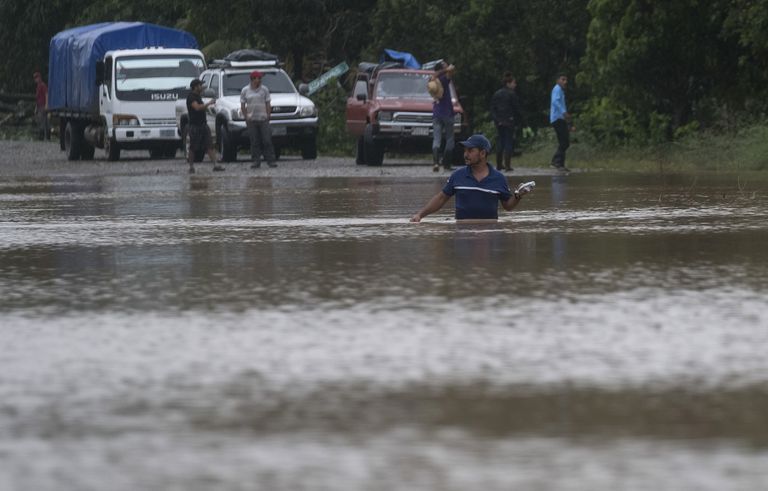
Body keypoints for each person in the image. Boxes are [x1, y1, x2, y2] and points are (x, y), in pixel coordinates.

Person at [410, 134, 533, 222]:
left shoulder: (499, 178)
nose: (465, 154)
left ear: (483, 153)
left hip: (489, 233)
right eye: (465, 151)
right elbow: (441, 198)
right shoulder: (457, 176)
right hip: (462, 233)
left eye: (470, 150)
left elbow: (508, 206)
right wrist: (420, 215)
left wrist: (518, 195)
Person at [240, 70, 276, 169]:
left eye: (260, 78)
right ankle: (256, 161)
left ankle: (271, 160)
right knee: (254, 141)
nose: (259, 80)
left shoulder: (264, 90)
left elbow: (268, 103)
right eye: (257, 78)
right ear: (252, 79)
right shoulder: (245, 90)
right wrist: (246, 116)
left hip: (263, 118)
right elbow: (243, 105)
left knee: (267, 140)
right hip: (251, 119)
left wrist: (268, 115)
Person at [186, 78, 223, 173]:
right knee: (193, 147)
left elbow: (201, 108)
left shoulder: (198, 96)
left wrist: (209, 110)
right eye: (200, 85)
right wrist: (209, 103)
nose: (202, 87)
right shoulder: (191, 97)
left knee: (209, 145)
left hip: (203, 125)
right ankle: (191, 167)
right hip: (195, 126)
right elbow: (197, 108)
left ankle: (216, 165)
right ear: (195, 87)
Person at [490, 71, 524, 172]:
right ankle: (508, 165)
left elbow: (492, 108)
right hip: (509, 120)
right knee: (508, 142)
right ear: (508, 83)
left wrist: (496, 119)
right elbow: (516, 108)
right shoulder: (511, 94)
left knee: (500, 141)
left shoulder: (497, 94)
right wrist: (520, 119)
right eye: (514, 83)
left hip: (499, 121)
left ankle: (499, 165)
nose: (515, 85)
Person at [429, 61, 455, 172]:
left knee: (437, 139)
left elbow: (436, 75)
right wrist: (448, 68)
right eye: (444, 65)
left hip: (436, 112)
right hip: (447, 112)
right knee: (449, 139)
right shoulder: (444, 79)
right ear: (441, 69)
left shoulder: (432, 80)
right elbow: (451, 71)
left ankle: (435, 163)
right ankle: (447, 164)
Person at [550, 73, 571, 172]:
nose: (565, 82)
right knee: (564, 142)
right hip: (557, 118)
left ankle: (560, 164)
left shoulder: (560, 90)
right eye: (563, 79)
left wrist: (565, 117)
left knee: (564, 141)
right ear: (558, 80)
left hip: (560, 118)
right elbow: (555, 102)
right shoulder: (557, 88)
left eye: (566, 80)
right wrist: (564, 112)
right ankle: (556, 161)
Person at [33, 71, 50, 141]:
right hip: (39, 105)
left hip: (43, 105)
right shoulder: (38, 86)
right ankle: (46, 137)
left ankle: (42, 137)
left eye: (36, 77)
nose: (35, 79)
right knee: (43, 121)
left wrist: (46, 105)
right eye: (34, 78)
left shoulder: (42, 85)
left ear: (39, 77)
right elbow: (38, 98)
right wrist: (36, 107)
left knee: (43, 121)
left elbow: (46, 94)